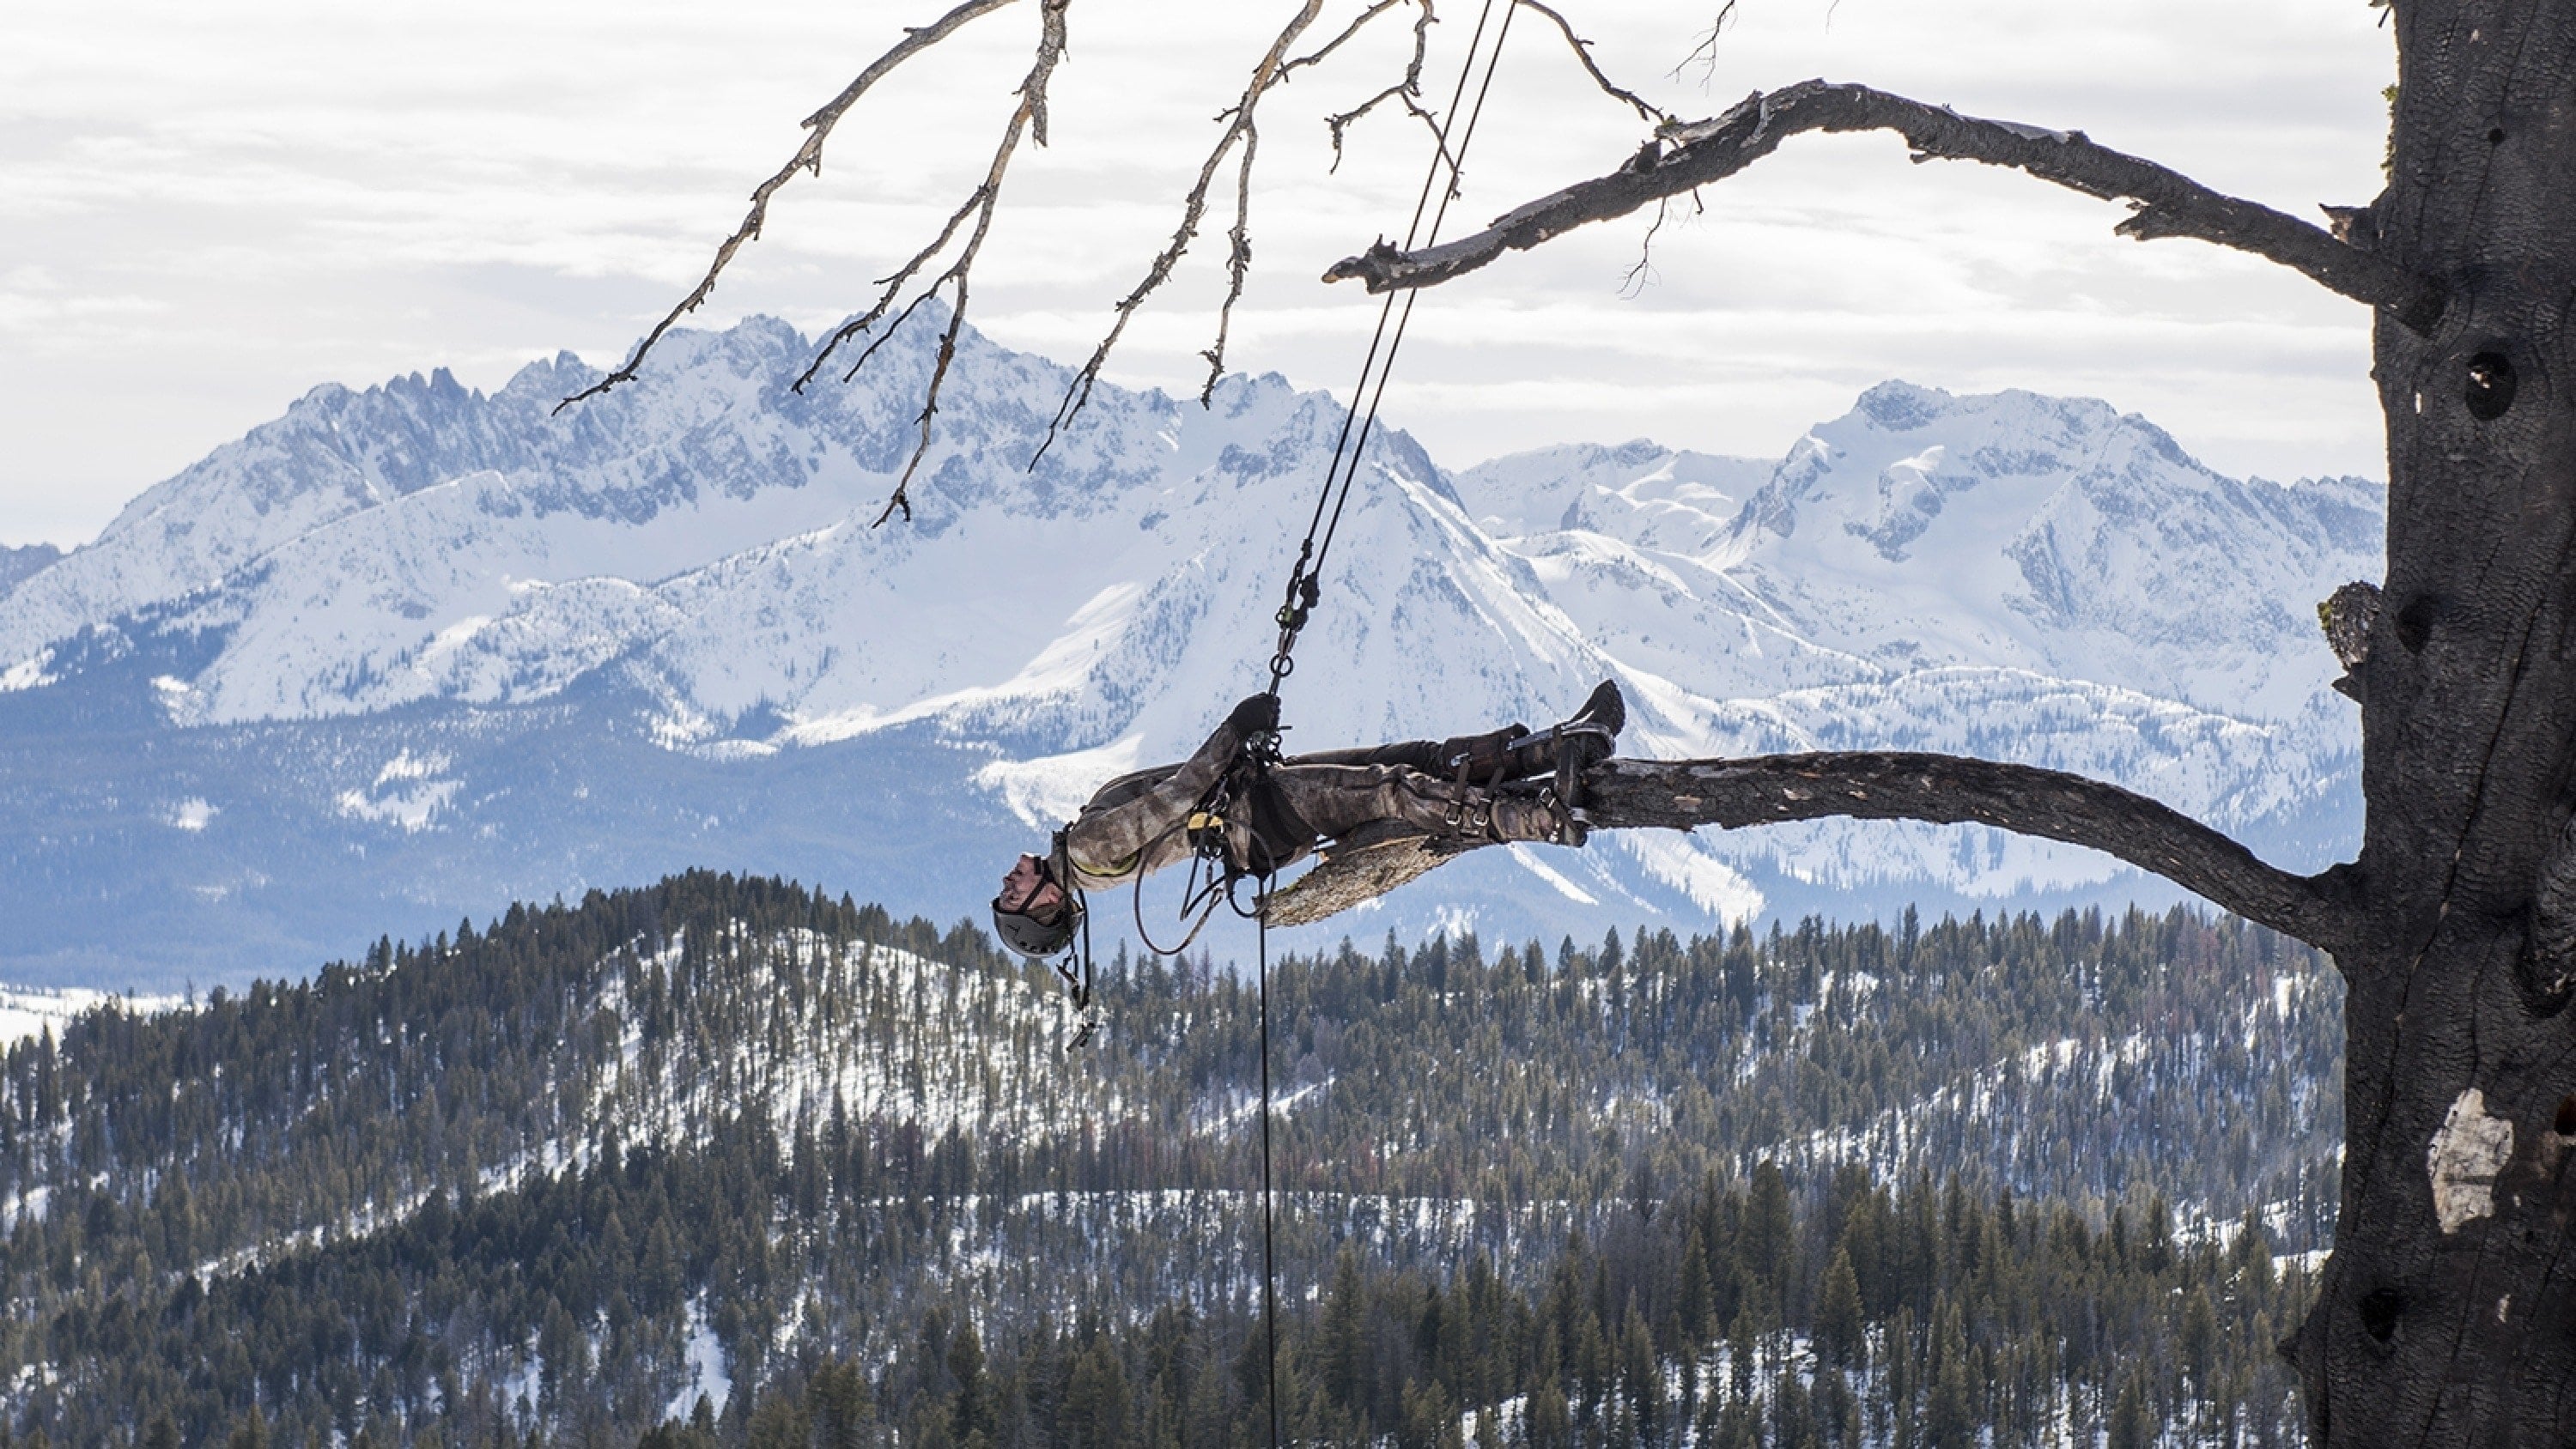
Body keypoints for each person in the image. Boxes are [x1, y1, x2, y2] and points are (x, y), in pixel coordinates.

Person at [990, 681, 1626, 958]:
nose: (1010, 878)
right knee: (1395, 787)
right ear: (1046, 907)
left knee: (1411, 760)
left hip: (1251, 804)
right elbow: (1179, 797)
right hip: (1256, 813)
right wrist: (1232, 731)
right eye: (1012, 894)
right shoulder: (1086, 850)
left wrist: (1237, 749)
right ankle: (1541, 818)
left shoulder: (1079, 859)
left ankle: (1560, 745)